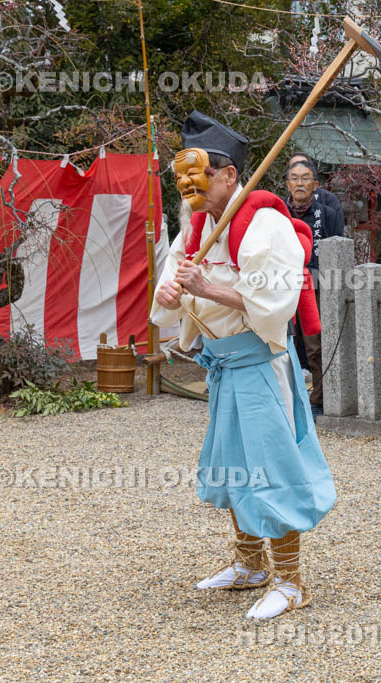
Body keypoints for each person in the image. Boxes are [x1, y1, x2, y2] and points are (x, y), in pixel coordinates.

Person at [151, 111, 336, 619]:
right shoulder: (195, 227)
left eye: (202, 174)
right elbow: (170, 294)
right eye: (184, 176)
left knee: (273, 467)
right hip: (224, 366)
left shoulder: (265, 223)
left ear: (229, 174)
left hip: (260, 364)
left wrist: (205, 287)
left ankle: (292, 581)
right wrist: (170, 292)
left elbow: (274, 303)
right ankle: (250, 565)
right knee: (231, 463)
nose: (192, 186)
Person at [283, 159, 344, 415]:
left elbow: (337, 250)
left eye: (305, 178)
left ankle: (318, 397)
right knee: (284, 343)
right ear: (287, 184)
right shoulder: (277, 215)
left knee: (314, 345)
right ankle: (287, 396)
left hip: (316, 286)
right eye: (294, 178)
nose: (299, 183)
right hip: (283, 285)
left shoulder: (327, 214)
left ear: (315, 185)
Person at [287, 152, 344, 220]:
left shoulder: (328, 200)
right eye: (294, 166)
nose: (299, 168)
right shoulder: (281, 207)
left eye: (304, 164)